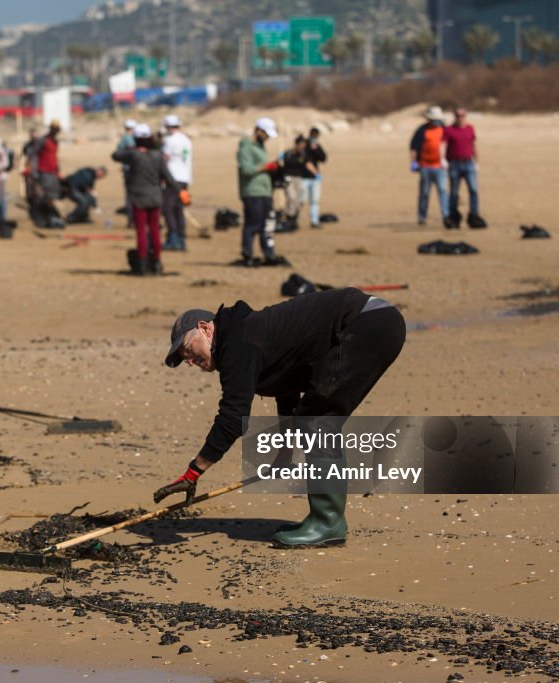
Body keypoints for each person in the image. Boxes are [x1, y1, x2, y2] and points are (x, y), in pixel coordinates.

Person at [155, 288, 406, 547]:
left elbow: (233, 417)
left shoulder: (238, 343)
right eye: (183, 358)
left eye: (186, 349)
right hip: (375, 320)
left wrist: (193, 472)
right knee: (315, 418)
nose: (189, 361)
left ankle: (327, 522)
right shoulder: (244, 334)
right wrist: (286, 450)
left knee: (318, 422)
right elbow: (287, 387)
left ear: (206, 328)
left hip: (367, 322)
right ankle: (328, 521)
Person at [112, 123, 178, 275]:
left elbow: (115, 155)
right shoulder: (157, 156)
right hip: (155, 197)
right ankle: (156, 262)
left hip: (139, 199)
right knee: (155, 230)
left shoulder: (134, 155)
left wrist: (127, 144)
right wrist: (180, 191)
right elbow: (168, 177)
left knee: (141, 231)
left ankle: (142, 263)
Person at [237, 117, 288, 267]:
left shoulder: (261, 147)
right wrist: (267, 167)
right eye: (266, 134)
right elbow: (246, 169)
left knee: (266, 225)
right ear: (258, 131)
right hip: (252, 191)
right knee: (252, 225)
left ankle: (268, 253)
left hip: (265, 191)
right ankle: (247, 254)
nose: (267, 138)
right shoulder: (246, 147)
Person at [409, 106, 453, 228]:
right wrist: (413, 162)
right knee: (424, 193)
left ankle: (446, 215)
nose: (435, 121)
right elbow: (414, 147)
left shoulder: (445, 130)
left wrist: (450, 161)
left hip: (440, 167)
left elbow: (451, 146)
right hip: (425, 166)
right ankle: (422, 217)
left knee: (443, 191)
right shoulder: (422, 130)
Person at [443, 107, 486, 229]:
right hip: (454, 164)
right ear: (454, 116)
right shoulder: (449, 130)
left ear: (465, 116)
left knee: (473, 190)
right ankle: (453, 216)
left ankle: (474, 215)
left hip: (469, 163)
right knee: (454, 192)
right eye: (457, 115)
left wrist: (477, 162)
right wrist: (444, 160)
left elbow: (474, 145)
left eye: (462, 115)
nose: (460, 117)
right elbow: (444, 146)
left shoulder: (470, 128)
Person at [161, 115, 193, 251]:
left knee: (168, 210)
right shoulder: (187, 140)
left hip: (172, 179)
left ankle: (174, 238)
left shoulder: (170, 141)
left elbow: (164, 158)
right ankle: (181, 238)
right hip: (185, 179)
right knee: (179, 210)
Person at [34, 120, 64, 228]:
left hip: (53, 173)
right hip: (44, 172)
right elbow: (34, 155)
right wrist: (34, 172)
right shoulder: (43, 140)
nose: (56, 132)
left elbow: (55, 158)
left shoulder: (55, 142)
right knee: (47, 196)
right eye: (54, 129)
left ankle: (52, 218)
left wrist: (58, 172)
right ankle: (44, 219)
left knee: (54, 196)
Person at [279, 136, 312, 231]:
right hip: (289, 178)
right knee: (291, 197)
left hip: (299, 178)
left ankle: (294, 218)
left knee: (299, 200)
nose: (303, 146)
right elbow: (286, 163)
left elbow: (304, 163)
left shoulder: (303, 155)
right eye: (301, 144)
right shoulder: (288, 153)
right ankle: (289, 217)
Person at [116, 119, 137, 227]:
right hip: (132, 170)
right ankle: (133, 219)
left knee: (130, 195)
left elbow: (117, 154)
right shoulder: (131, 139)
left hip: (128, 170)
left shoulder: (124, 139)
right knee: (132, 195)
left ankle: (132, 219)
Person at [305, 127, 327, 228]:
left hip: (315, 178)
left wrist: (316, 149)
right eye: (313, 136)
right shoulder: (304, 145)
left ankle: (314, 221)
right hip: (303, 177)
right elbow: (303, 160)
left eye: (316, 136)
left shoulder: (317, 146)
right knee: (300, 200)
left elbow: (323, 158)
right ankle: (292, 219)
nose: (314, 138)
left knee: (315, 200)